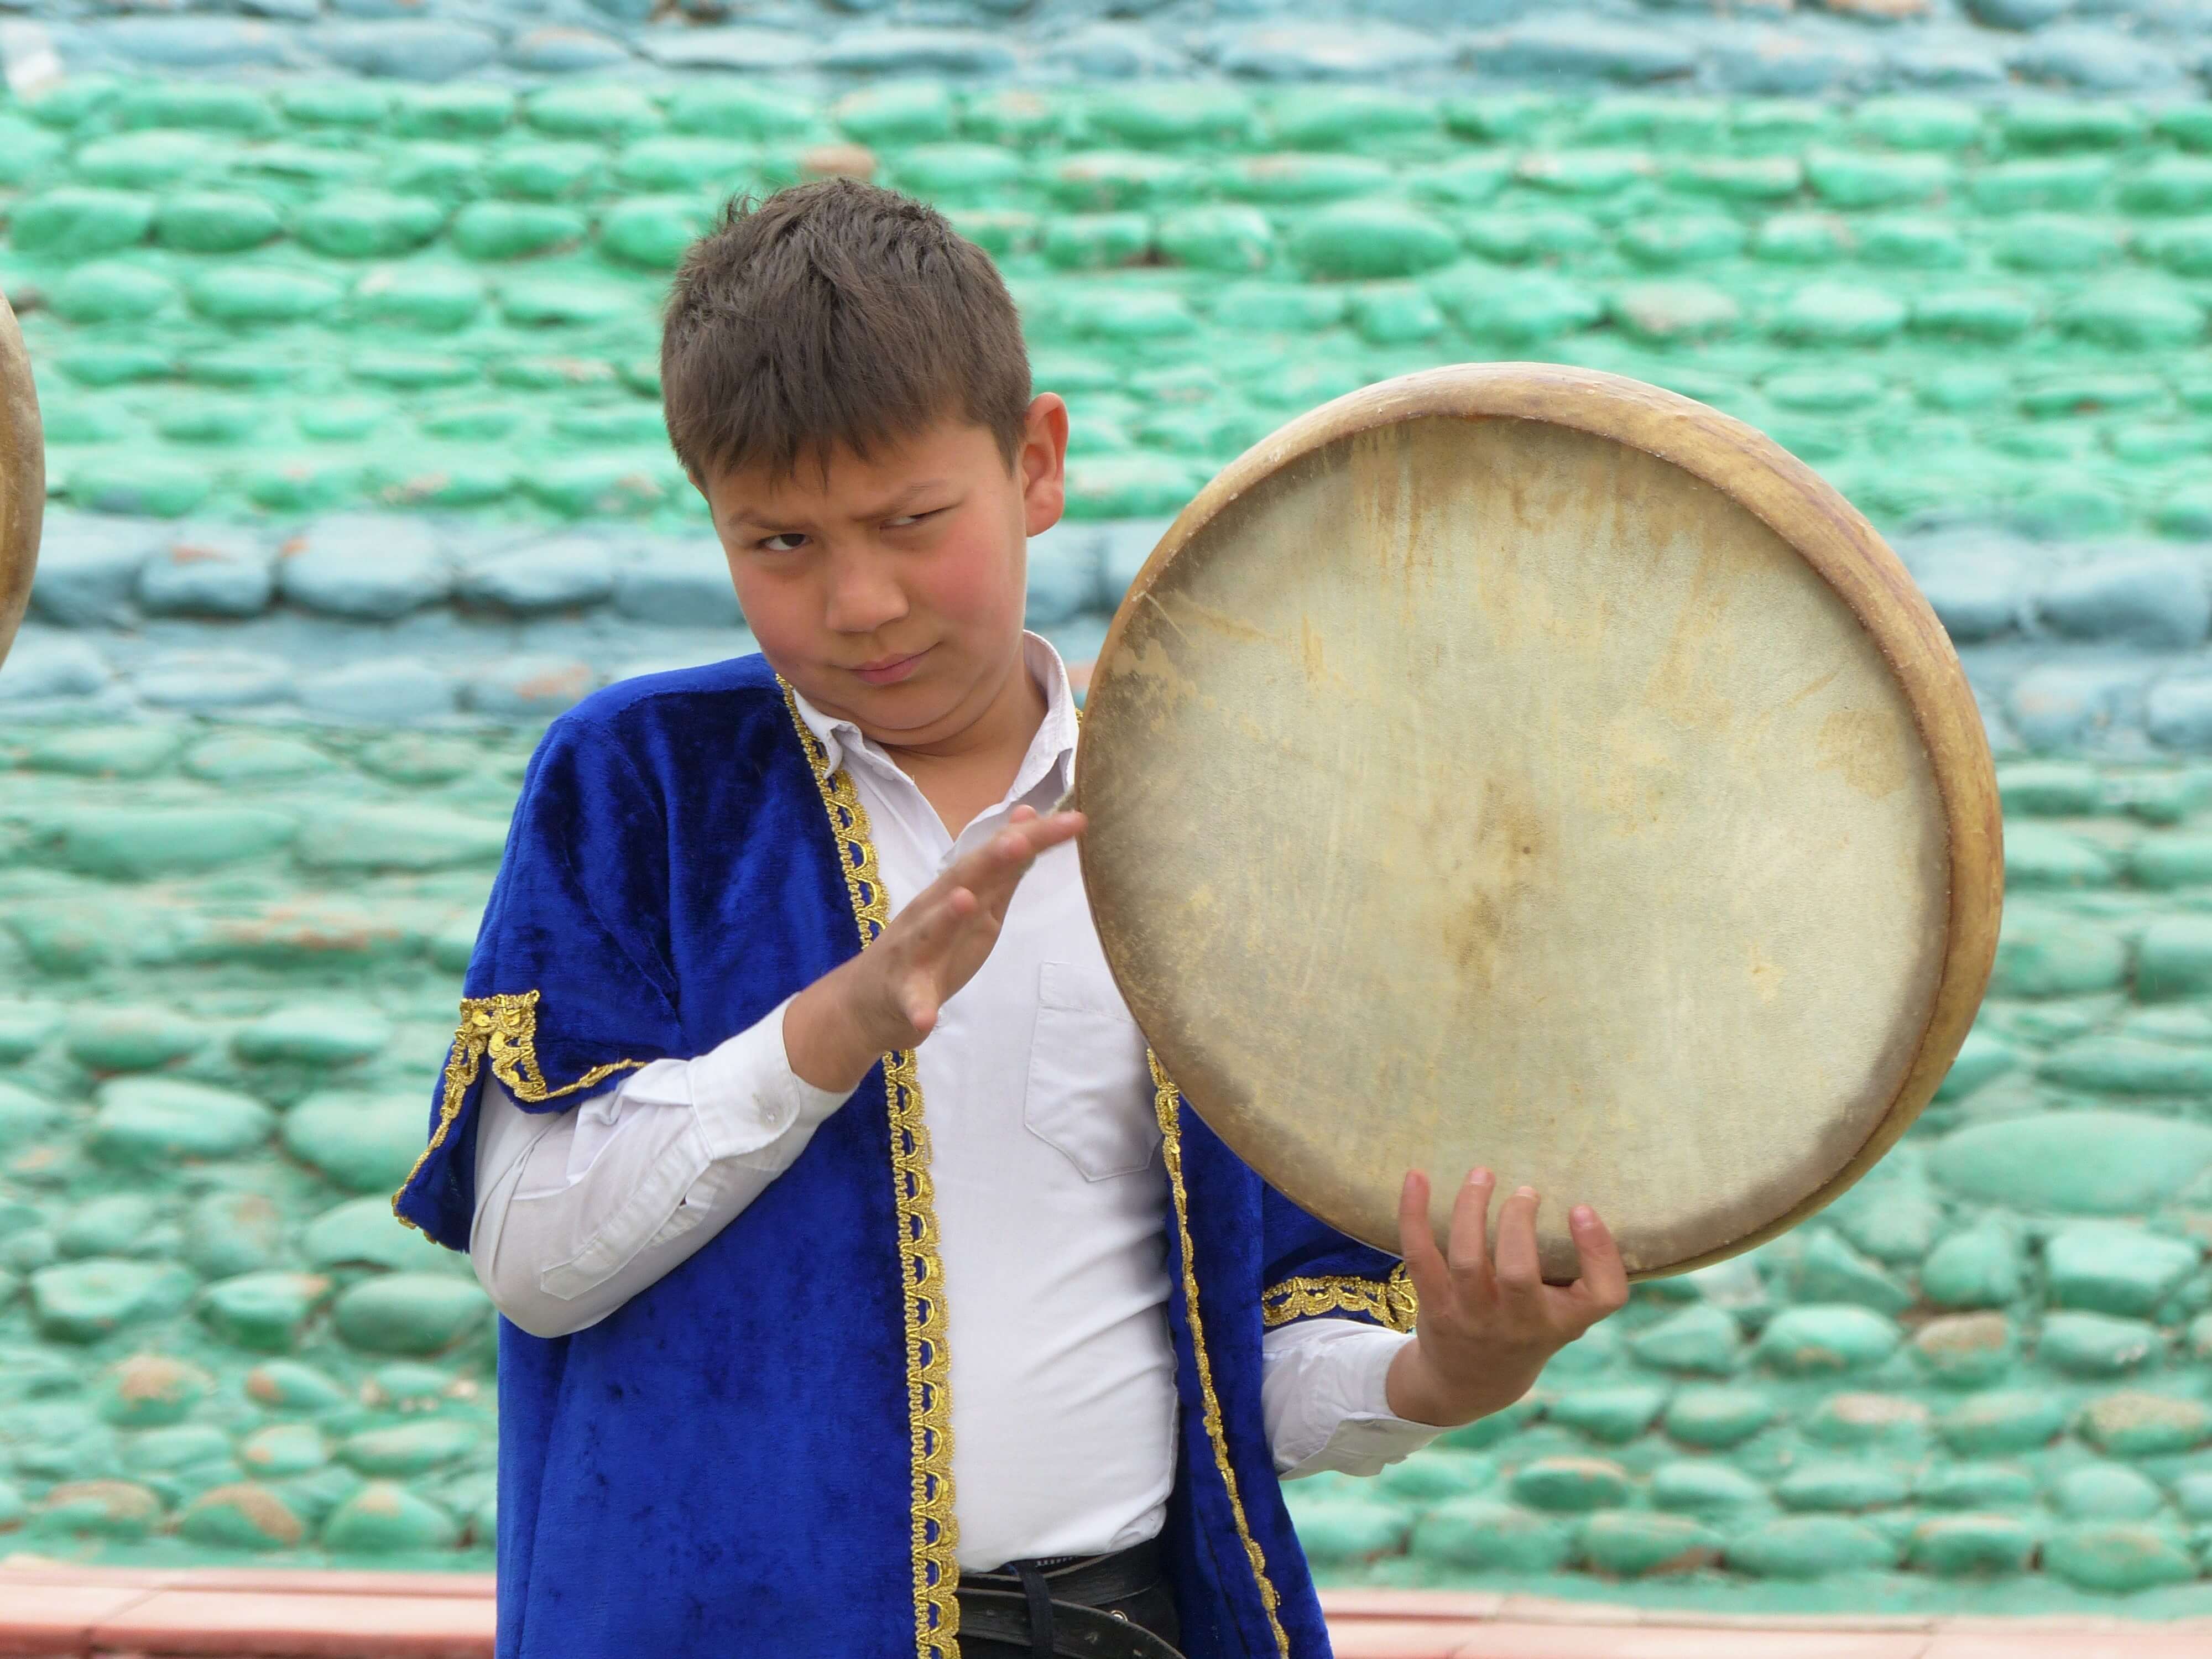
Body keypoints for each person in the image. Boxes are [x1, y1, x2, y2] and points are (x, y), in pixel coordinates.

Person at [392, 178, 1630, 1659]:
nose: (858, 601)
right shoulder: (637, 785)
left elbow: (1257, 1367)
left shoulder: (1209, 830)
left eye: (914, 522)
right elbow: (531, 1262)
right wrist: (830, 1032)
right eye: (778, 545)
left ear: (1036, 463)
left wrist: (1449, 1372)